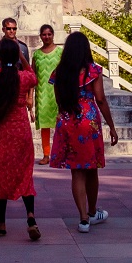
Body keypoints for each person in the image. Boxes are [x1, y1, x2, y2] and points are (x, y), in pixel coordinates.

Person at [49, 30, 118, 232]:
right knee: (91, 168)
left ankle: (82, 219)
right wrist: (111, 126)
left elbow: (59, 99)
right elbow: (100, 99)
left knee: (76, 172)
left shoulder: (59, 72)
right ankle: (93, 210)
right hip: (88, 120)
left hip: (67, 119)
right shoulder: (93, 71)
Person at [0, 39, 40, 240]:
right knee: (24, 173)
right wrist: (22, 57)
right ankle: (31, 217)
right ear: (15, 56)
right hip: (20, 129)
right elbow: (34, 77)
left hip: (0, 130)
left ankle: (1, 223)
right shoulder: (23, 77)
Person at [31, 24, 62, 164]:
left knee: (60, 124)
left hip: (58, 93)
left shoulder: (60, 52)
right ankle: (46, 154)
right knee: (44, 126)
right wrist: (29, 97)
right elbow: (32, 76)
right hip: (42, 93)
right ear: (40, 36)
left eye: (49, 34)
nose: (47, 37)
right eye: (44, 34)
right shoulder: (36, 54)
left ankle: (60, 153)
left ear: (53, 35)